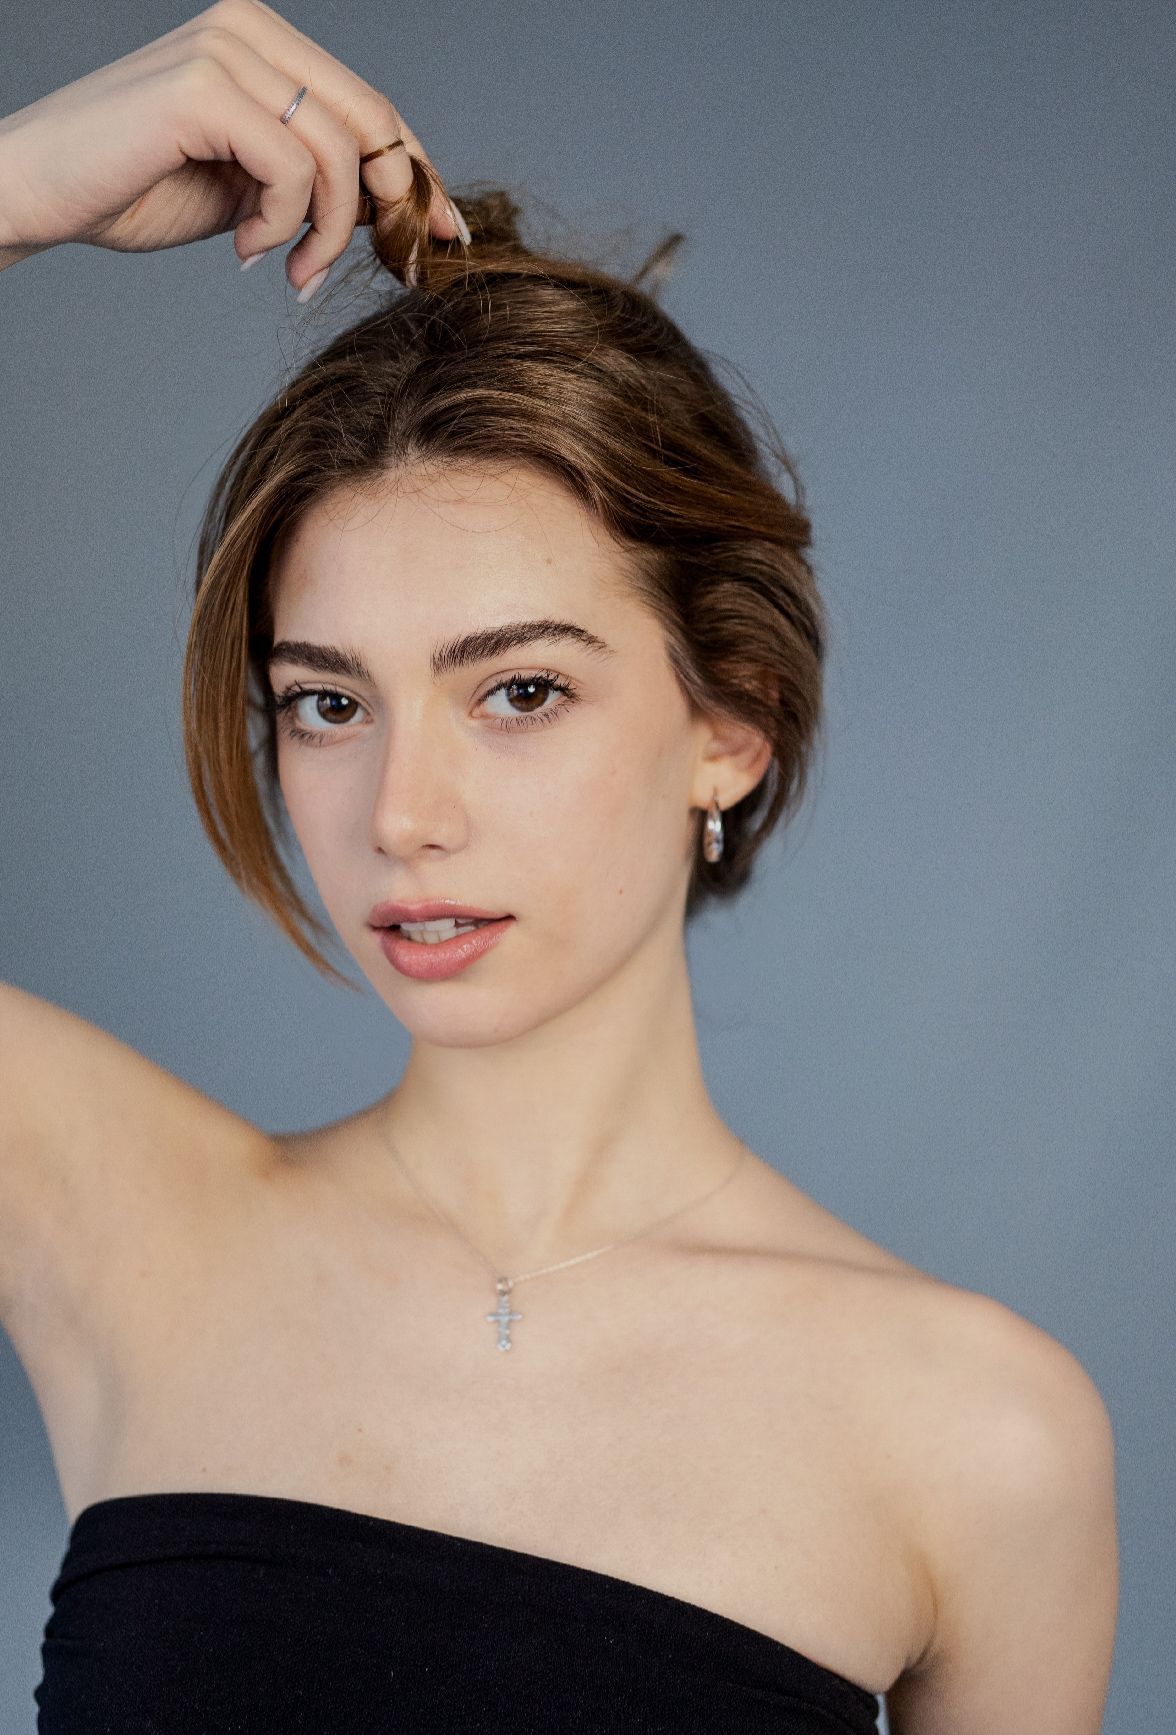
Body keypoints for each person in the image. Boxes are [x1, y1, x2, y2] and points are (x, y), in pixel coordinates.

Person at [0, 3, 1119, 1731]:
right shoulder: (117, 1218)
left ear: (729, 723)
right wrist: (9, 187)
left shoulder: (979, 1436)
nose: (403, 813)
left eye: (518, 691)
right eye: (327, 703)